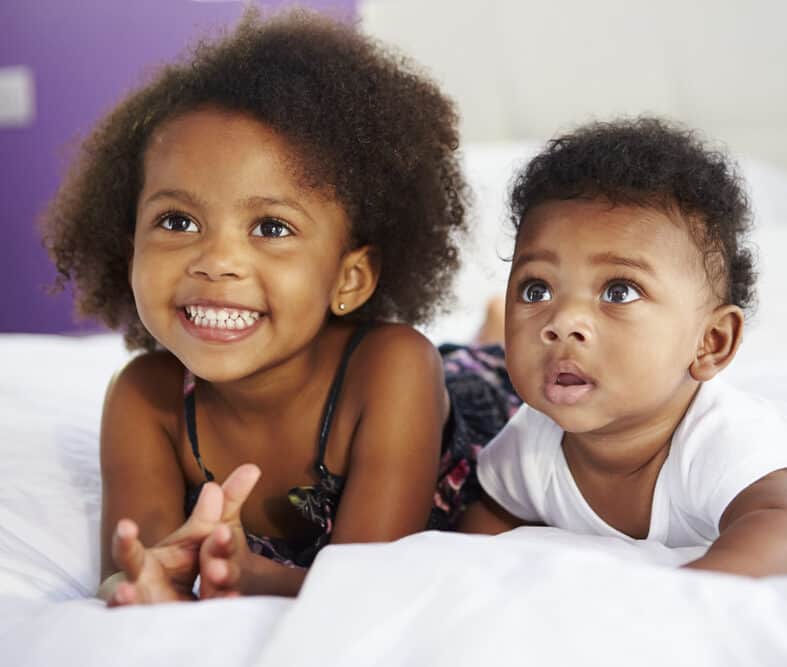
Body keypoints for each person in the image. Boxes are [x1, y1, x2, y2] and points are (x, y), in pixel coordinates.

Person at [42, 8, 519, 605]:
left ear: (350, 277)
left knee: (485, 363)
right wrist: (143, 581)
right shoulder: (146, 399)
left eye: (270, 227)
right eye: (177, 220)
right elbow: (136, 562)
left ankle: (489, 332)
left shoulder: (396, 366)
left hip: (471, 405)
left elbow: (369, 580)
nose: (216, 261)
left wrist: (255, 579)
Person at [459, 118, 787, 577]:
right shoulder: (530, 444)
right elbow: (485, 526)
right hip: (779, 401)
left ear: (711, 342)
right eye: (537, 290)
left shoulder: (720, 442)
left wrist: (674, 598)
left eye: (618, 291)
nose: (562, 321)